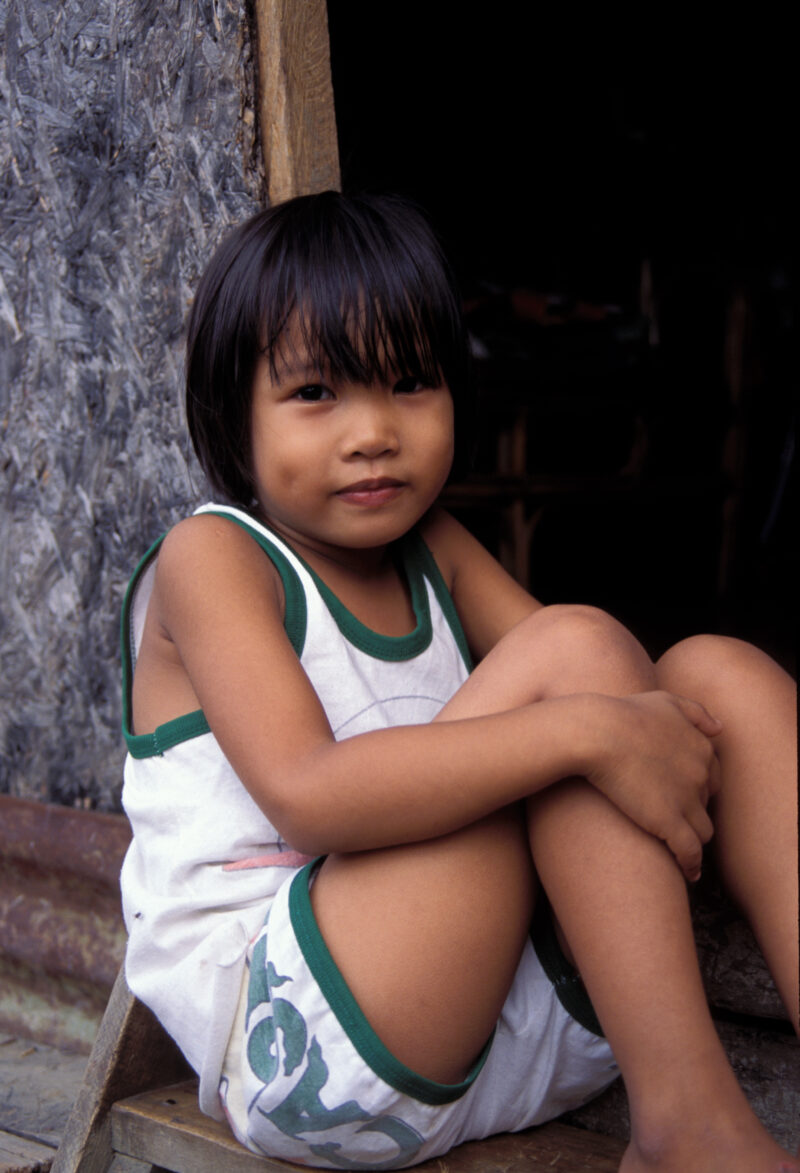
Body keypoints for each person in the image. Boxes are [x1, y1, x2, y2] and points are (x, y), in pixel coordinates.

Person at [120, 191, 798, 1173]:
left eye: (408, 384)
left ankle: (679, 1113)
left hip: (511, 1030)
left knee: (714, 680)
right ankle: (690, 1132)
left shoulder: (432, 544)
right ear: (233, 411)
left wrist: (634, 726)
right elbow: (310, 798)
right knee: (574, 675)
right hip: (315, 1046)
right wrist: (583, 734)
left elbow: (630, 708)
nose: (371, 432)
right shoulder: (214, 559)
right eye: (316, 393)